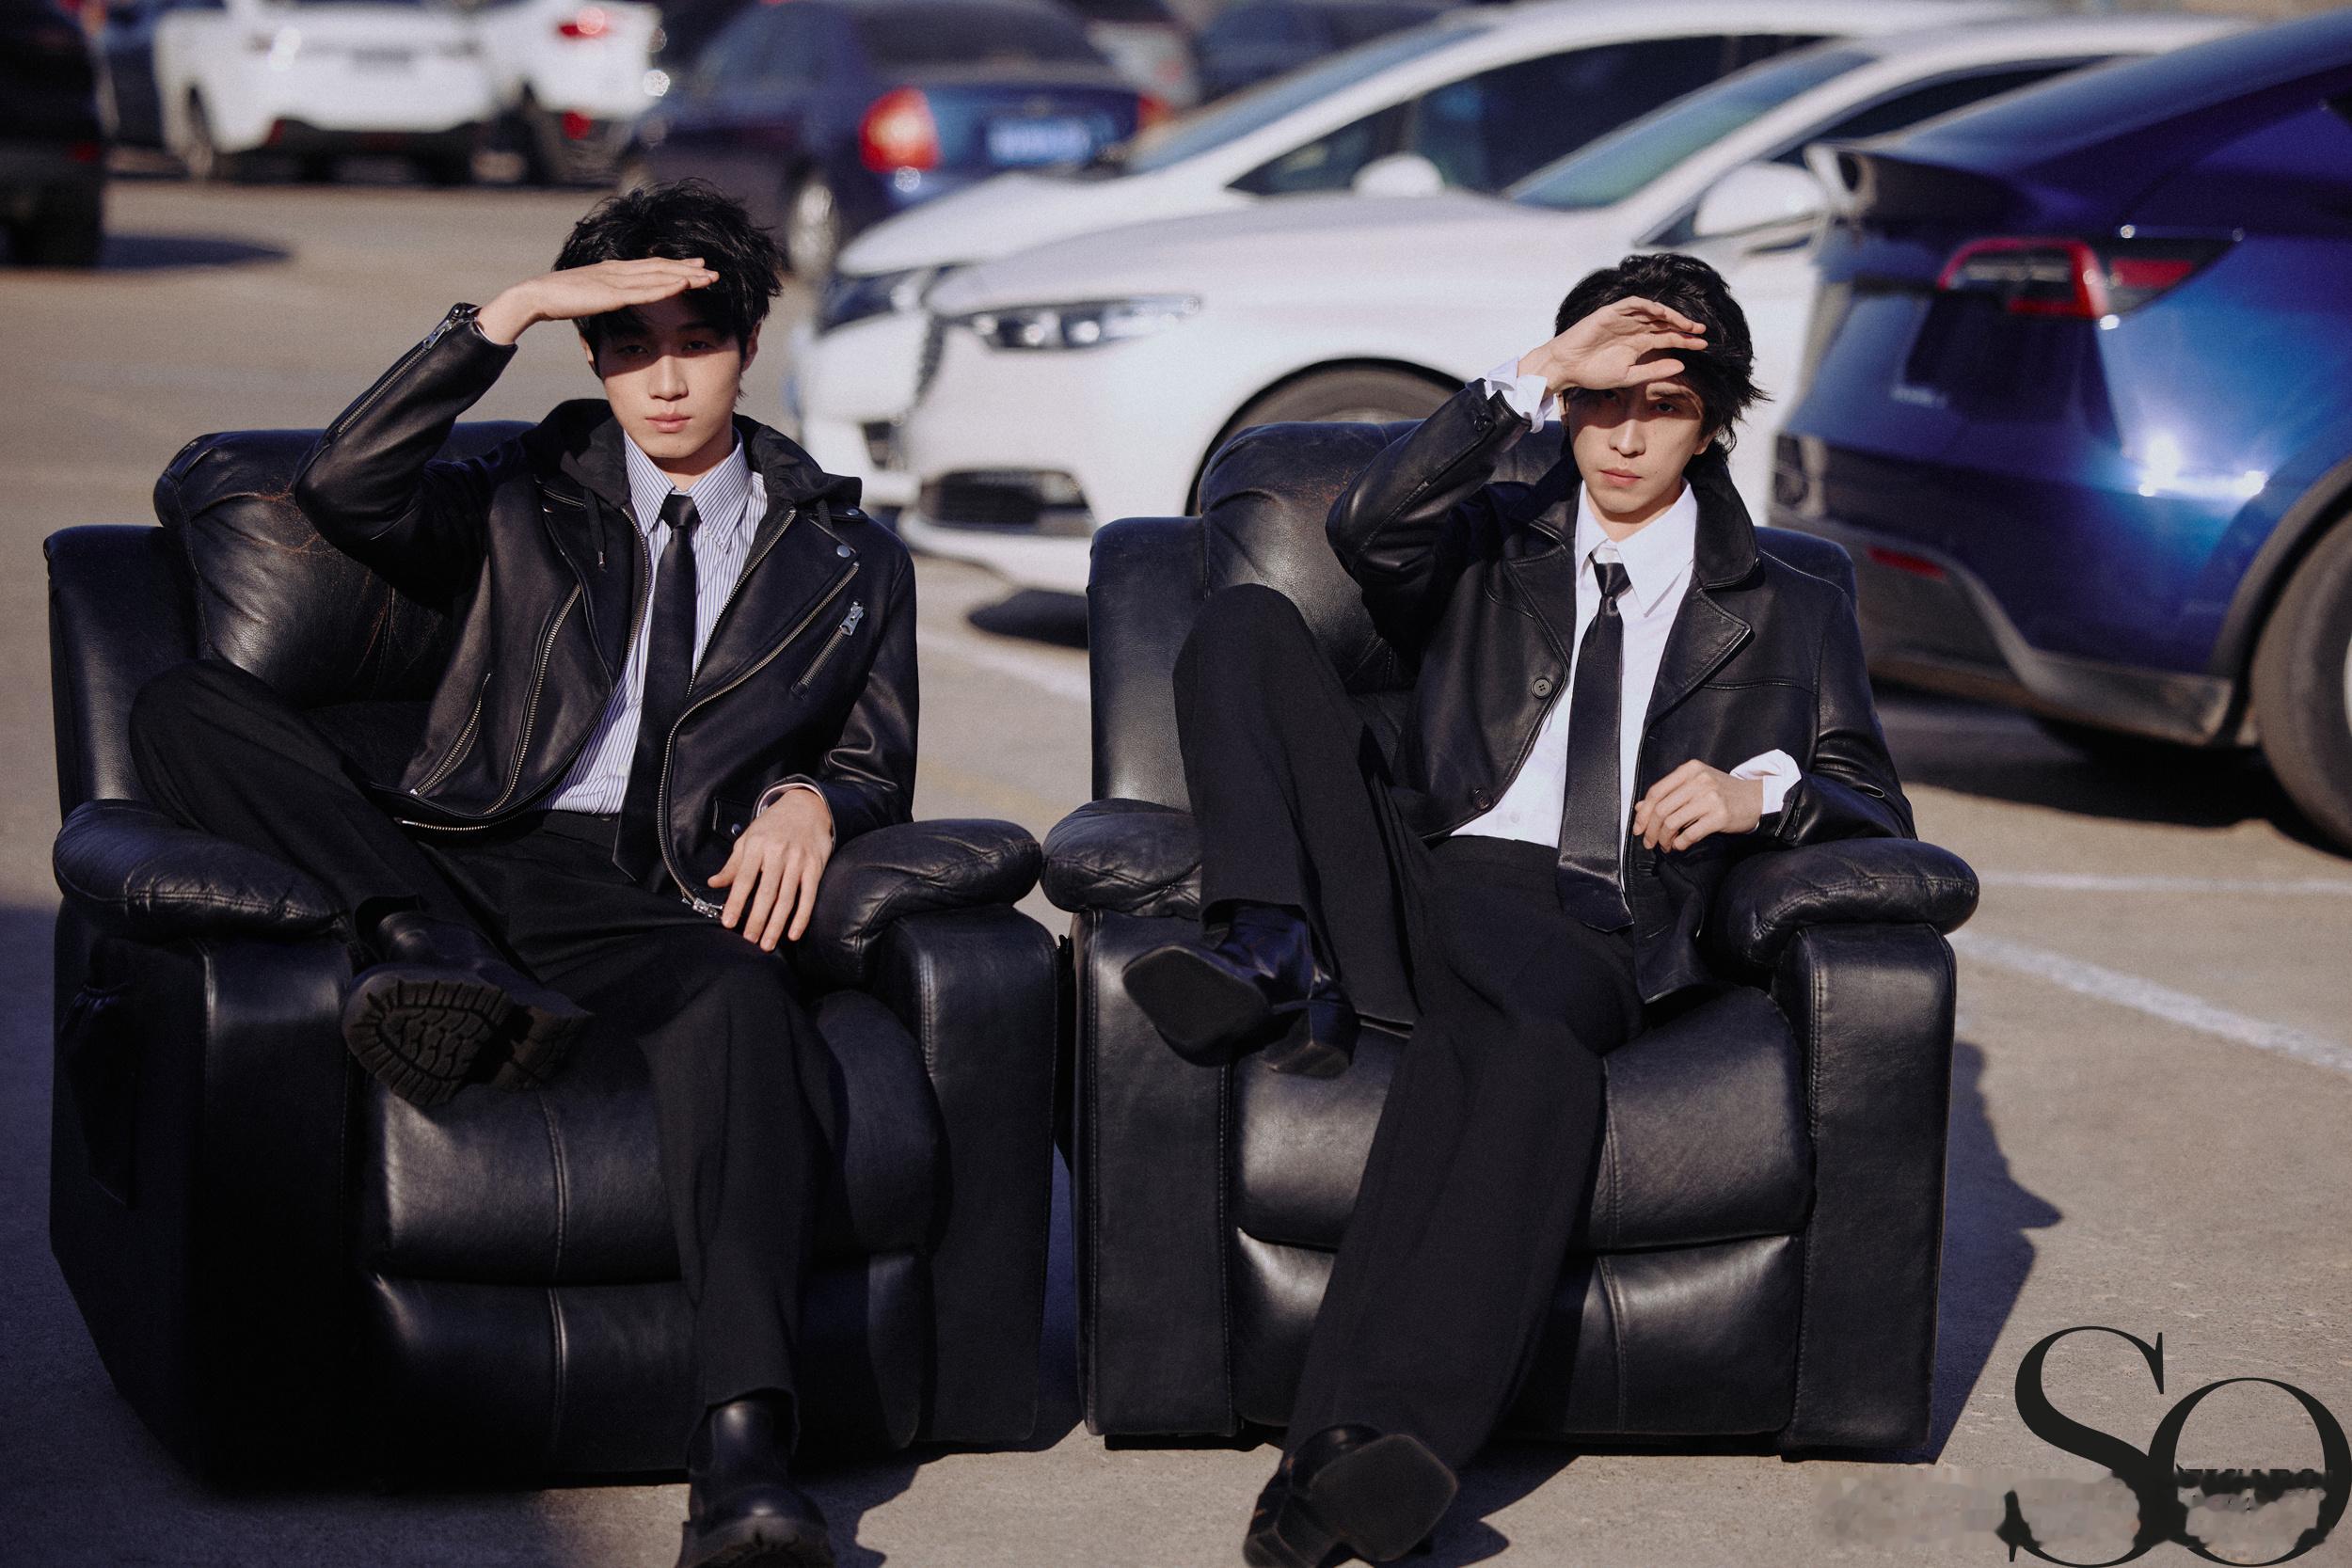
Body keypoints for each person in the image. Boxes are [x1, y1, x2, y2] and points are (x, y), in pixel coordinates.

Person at [126, 179, 914, 1568]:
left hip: (649, 891)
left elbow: (874, 759)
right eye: (625, 346)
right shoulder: (526, 492)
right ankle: (425, 948)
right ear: (590, 354)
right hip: (457, 850)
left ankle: (742, 1454)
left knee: (744, 1003)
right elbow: (342, 489)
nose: (662, 381)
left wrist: (812, 800)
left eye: (696, 343)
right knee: (184, 705)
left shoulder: (847, 555)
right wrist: (508, 315)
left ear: (750, 344)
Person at [1121, 252, 1913, 1567]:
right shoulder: (1495, 530)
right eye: (1601, 402)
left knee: (1515, 1057)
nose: (1624, 437)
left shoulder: (1793, 603)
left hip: (1596, 917)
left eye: (1661, 406)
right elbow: (1368, 527)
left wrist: (1756, 792)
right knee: (1245, 626)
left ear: (1714, 420)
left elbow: (1874, 803)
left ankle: (1339, 1463)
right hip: (1421, 875)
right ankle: (1266, 942)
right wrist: (1533, 376)